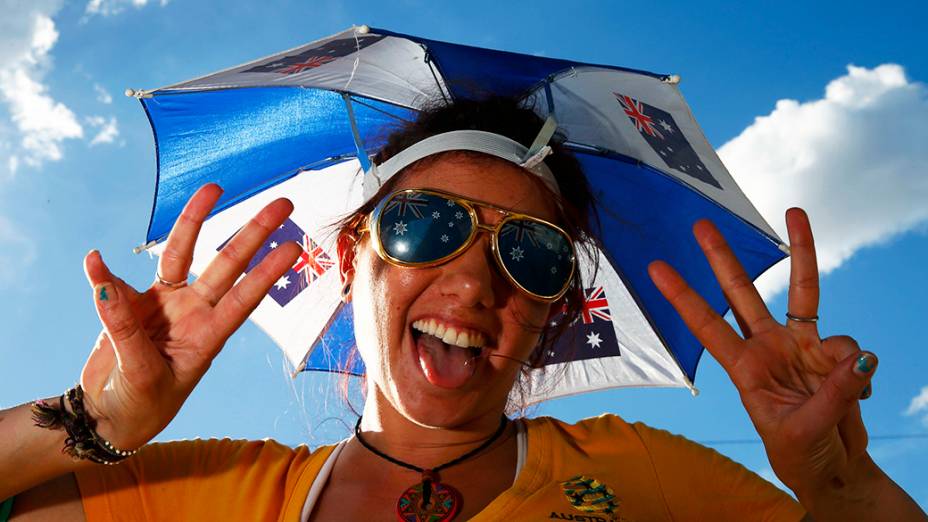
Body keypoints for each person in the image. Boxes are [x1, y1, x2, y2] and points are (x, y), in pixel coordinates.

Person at [1, 98, 924, 522]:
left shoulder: (649, 479)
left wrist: (844, 496)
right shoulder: (199, 496)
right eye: (427, 226)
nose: (477, 285)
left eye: (531, 254)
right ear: (354, 254)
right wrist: (94, 423)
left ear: (559, 311)